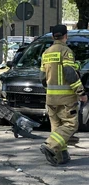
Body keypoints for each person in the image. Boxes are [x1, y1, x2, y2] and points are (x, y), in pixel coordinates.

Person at [39, 24, 88, 165]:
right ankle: (49, 145)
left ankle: (60, 157)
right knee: (71, 125)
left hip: (51, 99)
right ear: (66, 36)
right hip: (66, 98)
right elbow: (69, 73)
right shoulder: (66, 52)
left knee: (57, 127)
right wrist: (81, 92)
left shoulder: (46, 53)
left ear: (53, 36)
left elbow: (42, 77)